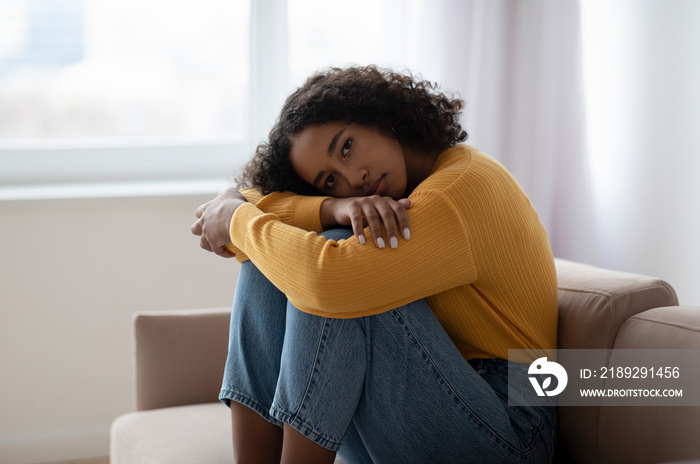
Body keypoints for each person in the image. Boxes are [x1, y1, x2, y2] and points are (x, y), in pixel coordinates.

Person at [191, 65, 558, 464]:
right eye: (330, 181)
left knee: (332, 263)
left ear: (382, 119)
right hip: (425, 403)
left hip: (514, 424)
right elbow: (254, 222)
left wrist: (236, 217)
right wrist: (333, 207)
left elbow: (330, 281)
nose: (355, 177)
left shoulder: (460, 188)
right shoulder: (385, 194)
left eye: (346, 146)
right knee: (268, 261)